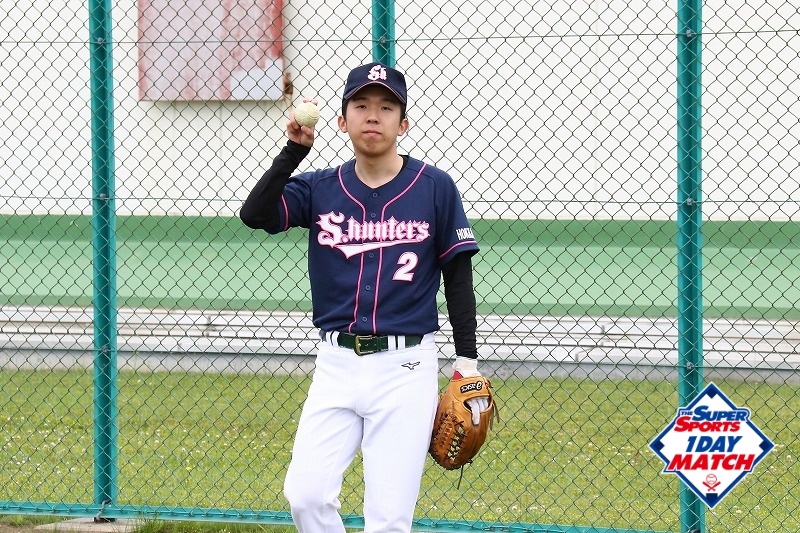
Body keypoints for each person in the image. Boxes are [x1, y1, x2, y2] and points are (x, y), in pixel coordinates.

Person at [240, 61, 489, 533]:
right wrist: (293, 152)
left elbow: (458, 277)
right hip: (335, 364)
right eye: (361, 105)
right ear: (342, 120)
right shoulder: (319, 187)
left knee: (389, 519)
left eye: (386, 107)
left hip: (405, 368)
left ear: (403, 123)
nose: (373, 115)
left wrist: (468, 362)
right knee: (306, 496)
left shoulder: (434, 186)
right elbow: (256, 214)